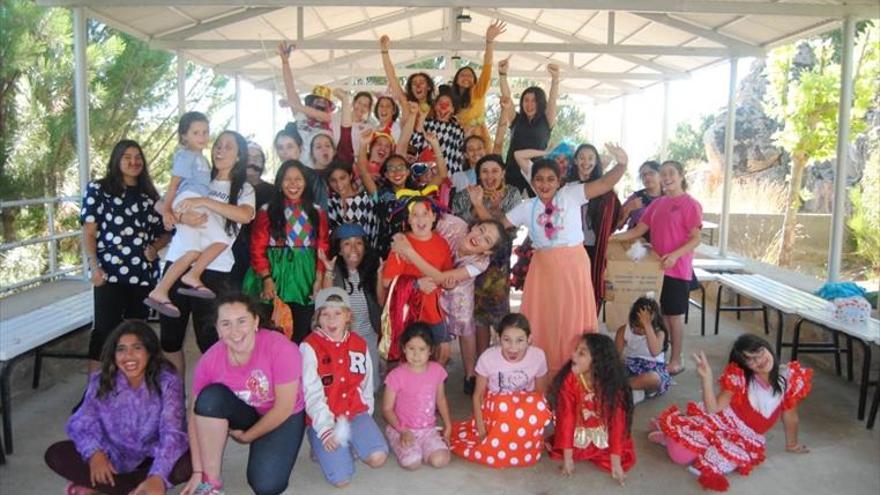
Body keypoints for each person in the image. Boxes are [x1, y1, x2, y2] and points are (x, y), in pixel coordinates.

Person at [501, 144, 628, 376]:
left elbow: (604, 184)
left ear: (559, 181)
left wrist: (621, 164)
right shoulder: (526, 207)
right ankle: (543, 371)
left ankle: (576, 372)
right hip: (543, 270)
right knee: (543, 319)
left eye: (551, 179)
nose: (545, 184)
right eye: (539, 179)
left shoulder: (571, 194)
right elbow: (498, 226)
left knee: (572, 320)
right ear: (533, 182)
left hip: (573, 266)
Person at [648, 334, 812, 492]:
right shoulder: (740, 379)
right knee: (680, 456)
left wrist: (792, 444)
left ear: (767, 347)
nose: (759, 360)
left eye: (759, 352)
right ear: (744, 366)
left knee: (715, 464)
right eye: (751, 360)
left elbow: (790, 415)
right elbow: (713, 408)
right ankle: (670, 434)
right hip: (722, 421)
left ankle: (678, 433)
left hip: (746, 437)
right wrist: (707, 378)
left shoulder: (789, 378)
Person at [45, 322, 191, 495]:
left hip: (153, 460)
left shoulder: (168, 381)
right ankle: (132, 489)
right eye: (121, 349)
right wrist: (95, 454)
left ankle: (109, 485)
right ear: (113, 354)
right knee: (56, 454)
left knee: (192, 462)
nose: (128, 356)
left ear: (150, 352)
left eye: (137, 348)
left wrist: (158, 475)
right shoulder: (101, 380)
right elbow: (82, 422)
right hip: (112, 459)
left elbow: (172, 434)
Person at [182, 293, 305, 495]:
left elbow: (284, 408)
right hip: (245, 410)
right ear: (218, 329)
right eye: (226, 324)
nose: (235, 331)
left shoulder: (281, 348)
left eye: (241, 321)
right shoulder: (210, 360)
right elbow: (195, 415)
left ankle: (266, 444)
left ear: (255, 321)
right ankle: (211, 483)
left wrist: (248, 437)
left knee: (266, 486)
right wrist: (198, 471)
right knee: (209, 400)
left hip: (282, 414)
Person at [158, 130, 256, 377]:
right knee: (170, 339)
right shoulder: (197, 176)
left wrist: (205, 202)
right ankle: (174, 402)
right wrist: (179, 216)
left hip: (215, 270)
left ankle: (215, 397)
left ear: (239, 156)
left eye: (227, 147)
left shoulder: (243, 188)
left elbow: (245, 215)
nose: (219, 151)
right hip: (179, 261)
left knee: (210, 339)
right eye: (217, 146)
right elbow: (161, 204)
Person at [391, 214, 506, 394]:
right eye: (481, 230)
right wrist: (404, 240)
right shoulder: (451, 223)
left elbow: (441, 278)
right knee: (423, 318)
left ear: (488, 251)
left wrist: (409, 252)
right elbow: (422, 223)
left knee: (465, 323)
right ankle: (416, 371)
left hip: (458, 287)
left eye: (487, 240)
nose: (479, 237)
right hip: (425, 270)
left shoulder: (481, 263)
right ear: (474, 226)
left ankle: (470, 374)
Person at [80, 140, 169, 371]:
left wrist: (155, 247)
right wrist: (93, 266)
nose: (133, 161)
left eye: (138, 157)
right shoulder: (98, 190)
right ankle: (95, 394)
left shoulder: (150, 195)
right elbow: (89, 231)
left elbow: (167, 232)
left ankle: (132, 391)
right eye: (127, 156)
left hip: (142, 276)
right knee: (103, 333)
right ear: (116, 160)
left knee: (136, 336)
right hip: (109, 274)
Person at [610, 160, 702, 375]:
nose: (667, 177)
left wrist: (676, 255)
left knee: (674, 317)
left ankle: (676, 359)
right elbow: (637, 231)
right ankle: (660, 354)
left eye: (671, 172)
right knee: (655, 316)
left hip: (677, 269)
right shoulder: (656, 204)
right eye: (663, 173)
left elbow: (696, 238)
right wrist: (610, 239)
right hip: (655, 271)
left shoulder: (690, 204)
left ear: (681, 176)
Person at [301, 288, 389, 488]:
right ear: (317, 318)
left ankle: (352, 440)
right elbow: (311, 394)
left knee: (378, 458)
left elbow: (366, 385)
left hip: (355, 413)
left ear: (348, 316)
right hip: (325, 417)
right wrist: (324, 429)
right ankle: (317, 441)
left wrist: (366, 415)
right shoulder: (309, 347)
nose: (331, 321)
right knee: (341, 479)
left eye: (338, 314)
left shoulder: (359, 344)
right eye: (325, 314)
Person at [451, 154, 524, 393]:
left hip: (498, 264)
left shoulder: (513, 194)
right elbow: (459, 226)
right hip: (470, 261)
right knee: (475, 317)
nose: (489, 176)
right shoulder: (465, 194)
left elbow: (501, 232)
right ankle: (478, 371)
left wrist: (479, 206)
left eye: (494, 171)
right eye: (484, 172)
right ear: (478, 174)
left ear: (503, 173)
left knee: (499, 315)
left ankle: (505, 368)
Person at [147, 112, 229, 316]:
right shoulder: (185, 155)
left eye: (205, 132)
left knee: (193, 252)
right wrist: (168, 210)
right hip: (189, 200)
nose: (202, 136)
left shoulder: (199, 157)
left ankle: (161, 290)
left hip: (193, 200)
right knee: (221, 240)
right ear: (184, 136)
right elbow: (173, 185)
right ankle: (192, 274)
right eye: (196, 133)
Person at [449, 313, 552, 468]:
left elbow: (540, 394)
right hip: (496, 407)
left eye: (520, 340)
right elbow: (477, 397)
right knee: (503, 404)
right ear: (498, 338)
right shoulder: (488, 358)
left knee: (537, 404)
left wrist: (538, 432)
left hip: (525, 407)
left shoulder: (538, 356)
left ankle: (519, 437)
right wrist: (482, 431)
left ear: (529, 340)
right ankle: (502, 439)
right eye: (507, 340)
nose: (513, 348)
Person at [244, 160, 329, 344]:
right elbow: (257, 248)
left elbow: (322, 247)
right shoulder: (267, 211)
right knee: (271, 329)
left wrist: (319, 277)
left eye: (298, 179)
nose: (293, 184)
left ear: (305, 182)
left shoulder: (317, 212)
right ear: (280, 183)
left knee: (302, 331)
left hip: (304, 278)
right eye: (287, 179)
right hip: (274, 275)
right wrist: (266, 279)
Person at [546, 333, 636, 484]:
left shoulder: (613, 386)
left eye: (581, 353)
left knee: (621, 457)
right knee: (563, 450)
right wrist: (567, 459)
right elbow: (566, 418)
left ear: (598, 362)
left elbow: (617, 424)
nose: (573, 355)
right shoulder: (570, 380)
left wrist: (615, 462)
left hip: (604, 434)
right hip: (578, 433)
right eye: (576, 350)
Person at [381, 196, 454, 364]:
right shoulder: (401, 244)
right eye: (415, 214)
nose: (420, 220)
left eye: (425, 214)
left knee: (443, 353)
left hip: (435, 311)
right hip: (410, 314)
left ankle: (433, 389)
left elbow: (446, 276)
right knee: (409, 358)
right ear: (408, 219)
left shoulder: (442, 243)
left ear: (434, 217)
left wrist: (449, 284)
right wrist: (415, 284)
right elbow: (387, 282)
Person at [318, 224, 382, 390]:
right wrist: (328, 271)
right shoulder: (335, 272)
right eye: (347, 244)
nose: (354, 249)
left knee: (370, 386)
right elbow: (327, 302)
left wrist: (380, 274)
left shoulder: (370, 271)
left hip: (368, 336)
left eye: (358, 243)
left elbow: (381, 303)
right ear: (339, 250)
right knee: (344, 384)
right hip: (343, 338)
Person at [382, 323, 452, 470]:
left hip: (428, 429)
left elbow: (441, 399)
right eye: (411, 348)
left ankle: (424, 446)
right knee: (412, 463)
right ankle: (395, 439)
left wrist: (448, 425)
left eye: (422, 349)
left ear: (431, 350)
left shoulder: (437, 370)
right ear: (403, 348)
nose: (416, 354)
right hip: (402, 428)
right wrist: (402, 431)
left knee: (441, 460)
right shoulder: (395, 376)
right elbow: (387, 409)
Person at [572, 143, 622, 312]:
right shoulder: (566, 187)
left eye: (591, 158)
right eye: (582, 157)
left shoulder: (604, 189)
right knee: (571, 289)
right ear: (576, 161)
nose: (586, 162)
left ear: (596, 162)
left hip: (593, 247)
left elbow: (614, 218)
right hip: (570, 247)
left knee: (590, 287)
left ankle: (588, 326)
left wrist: (628, 210)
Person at [501, 61, 560, 195]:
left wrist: (555, 79)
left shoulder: (546, 121)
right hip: (512, 172)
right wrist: (502, 74)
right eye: (526, 100)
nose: (529, 104)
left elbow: (552, 99)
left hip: (536, 172)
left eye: (533, 100)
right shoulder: (516, 119)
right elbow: (506, 98)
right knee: (511, 208)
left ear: (539, 102)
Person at [451, 20, 506, 144]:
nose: (466, 77)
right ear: (456, 80)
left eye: (470, 76)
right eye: (462, 75)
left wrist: (489, 41)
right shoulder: (451, 98)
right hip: (456, 139)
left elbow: (487, 65)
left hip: (478, 138)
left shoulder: (477, 92)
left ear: (475, 81)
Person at [231, 141, 274, 287]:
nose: (253, 161)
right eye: (249, 157)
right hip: (232, 251)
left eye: (258, 158)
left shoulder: (273, 192)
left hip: (262, 253)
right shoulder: (230, 188)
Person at [614, 296, 671, 402]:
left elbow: (655, 352)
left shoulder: (659, 333)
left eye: (644, 327)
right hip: (630, 367)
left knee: (653, 378)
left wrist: (647, 326)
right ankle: (633, 389)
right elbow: (615, 356)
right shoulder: (623, 331)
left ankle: (624, 387)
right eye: (637, 326)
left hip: (652, 369)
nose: (640, 330)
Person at [404, 85, 466, 176]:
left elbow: (459, 155)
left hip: (448, 176)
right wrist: (421, 118)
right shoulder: (427, 123)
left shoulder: (458, 129)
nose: (443, 107)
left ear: (453, 109)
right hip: (425, 175)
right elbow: (414, 144)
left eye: (447, 104)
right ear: (435, 107)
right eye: (440, 103)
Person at [380, 34, 435, 128]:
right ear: (411, 88)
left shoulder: (435, 107)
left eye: (421, 82)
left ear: (429, 87)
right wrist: (384, 49)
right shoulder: (405, 102)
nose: (417, 85)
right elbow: (391, 77)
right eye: (414, 83)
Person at [325, 160, 378, 248]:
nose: (339, 184)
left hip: (368, 256)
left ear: (350, 176)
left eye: (342, 178)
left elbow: (372, 232)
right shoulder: (330, 202)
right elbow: (328, 234)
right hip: (341, 257)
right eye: (333, 180)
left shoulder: (366, 200)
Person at [616, 160, 662, 236]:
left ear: (660, 175)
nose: (647, 177)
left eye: (651, 173)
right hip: (635, 242)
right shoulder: (635, 198)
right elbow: (617, 226)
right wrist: (628, 209)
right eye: (644, 175)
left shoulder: (669, 198)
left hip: (661, 243)